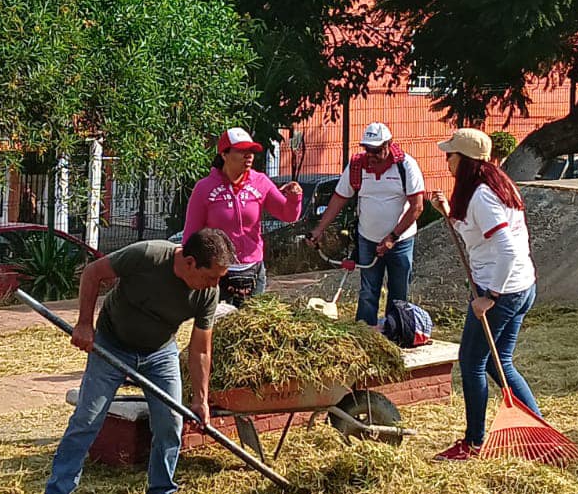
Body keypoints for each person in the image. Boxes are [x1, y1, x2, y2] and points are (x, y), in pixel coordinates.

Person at [34, 229, 236, 494]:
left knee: (170, 424)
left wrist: (201, 399)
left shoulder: (208, 292)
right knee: (87, 420)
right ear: (191, 262)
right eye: (212, 276)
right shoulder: (147, 255)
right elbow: (92, 273)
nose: (215, 285)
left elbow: (201, 350)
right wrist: (84, 324)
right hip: (112, 344)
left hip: (159, 353)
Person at [433, 127, 543, 462]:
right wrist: (447, 210)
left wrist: (490, 296)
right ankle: (535, 431)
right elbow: (478, 235)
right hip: (523, 285)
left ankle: (474, 442)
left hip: (503, 291)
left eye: (450, 154)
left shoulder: (482, 195)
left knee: (471, 362)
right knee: (501, 363)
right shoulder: (496, 183)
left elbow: (507, 250)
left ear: (464, 159)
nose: (446, 159)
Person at [307, 122, 426, 327]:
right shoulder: (357, 166)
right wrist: (319, 229)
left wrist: (392, 237)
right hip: (368, 238)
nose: (370, 154)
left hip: (401, 240)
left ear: (389, 144)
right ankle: (365, 332)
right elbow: (339, 198)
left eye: (376, 149)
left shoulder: (405, 166)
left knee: (398, 292)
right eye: (367, 149)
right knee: (368, 290)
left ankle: (395, 332)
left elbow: (417, 207)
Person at [182, 127, 301, 305]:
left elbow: (288, 215)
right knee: (220, 327)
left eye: (251, 151)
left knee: (253, 328)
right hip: (218, 273)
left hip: (253, 269)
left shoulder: (261, 182)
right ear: (224, 154)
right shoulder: (204, 188)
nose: (249, 156)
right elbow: (191, 235)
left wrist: (294, 198)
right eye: (241, 151)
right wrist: (191, 270)